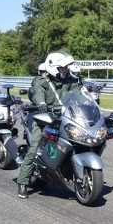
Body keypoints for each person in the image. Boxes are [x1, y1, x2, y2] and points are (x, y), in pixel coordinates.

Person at [16, 51, 78, 199]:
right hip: (45, 119)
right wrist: (42, 103)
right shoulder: (41, 81)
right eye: (62, 68)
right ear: (54, 68)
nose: (65, 70)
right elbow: (37, 93)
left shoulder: (70, 81)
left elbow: (78, 94)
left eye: (65, 68)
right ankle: (23, 182)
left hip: (66, 118)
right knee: (36, 147)